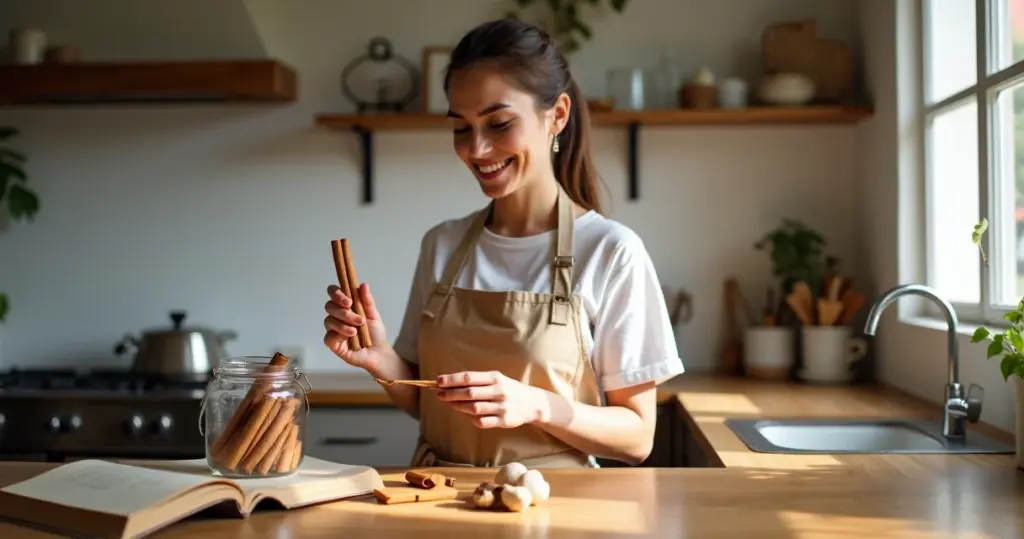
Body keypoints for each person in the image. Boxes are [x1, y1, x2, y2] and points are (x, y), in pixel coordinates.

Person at [323, 17, 684, 468]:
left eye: (498, 124)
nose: (475, 149)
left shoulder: (611, 252)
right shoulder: (442, 244)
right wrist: (383, 364)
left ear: (558, 116)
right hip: (437, 504)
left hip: (555, 512)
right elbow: (430, 405)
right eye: (461, 127)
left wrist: (538, 405)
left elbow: (637, 436)